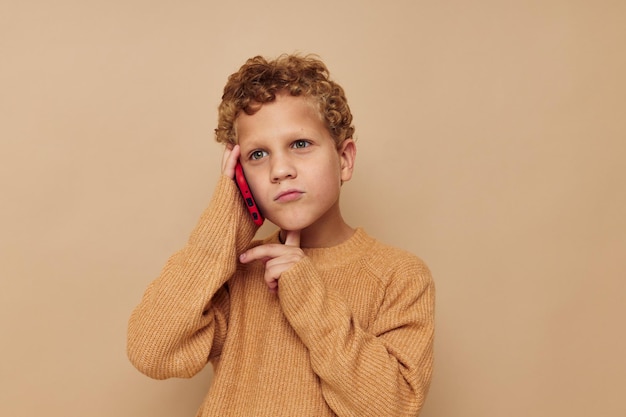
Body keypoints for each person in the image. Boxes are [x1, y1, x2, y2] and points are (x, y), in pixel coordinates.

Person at [127, 54, 435, 417]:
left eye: (300, 144)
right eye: (258, 154)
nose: (280, 170)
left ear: (345, 159)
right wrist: (225, 224)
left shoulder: (398, 275)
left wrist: (306, 293)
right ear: (239, 175)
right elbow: (152, 352)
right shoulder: (238, 270)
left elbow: (393, 408)